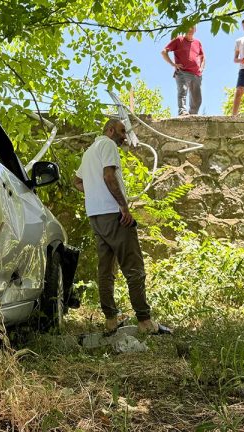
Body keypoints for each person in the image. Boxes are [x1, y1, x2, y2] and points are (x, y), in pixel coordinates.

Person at [73, 119, 171, 335]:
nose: (124, 136)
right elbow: (109, 176)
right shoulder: (107, 145)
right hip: (113, 215)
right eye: (121, 131)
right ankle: (145, 322)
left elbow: (77, 181)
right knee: (134, 266)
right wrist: (124, 207)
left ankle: (110, 321)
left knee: (105, 269)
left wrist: (95, 195)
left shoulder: (90, 151)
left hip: (96, 216)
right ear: (110, 130)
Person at [161, 26, 205, 116]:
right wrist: (173, 64)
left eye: (192, 28)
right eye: (188, 27)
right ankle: (183, 112)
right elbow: (164, 52)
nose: (190, 30)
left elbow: (203, 57)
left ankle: (192, 115)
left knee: (197, 99)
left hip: (197, 74)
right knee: (182, 91)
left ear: (195, 30)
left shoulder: (197, 42)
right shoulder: (178, 40)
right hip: (182, 72)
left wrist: (201, 67)